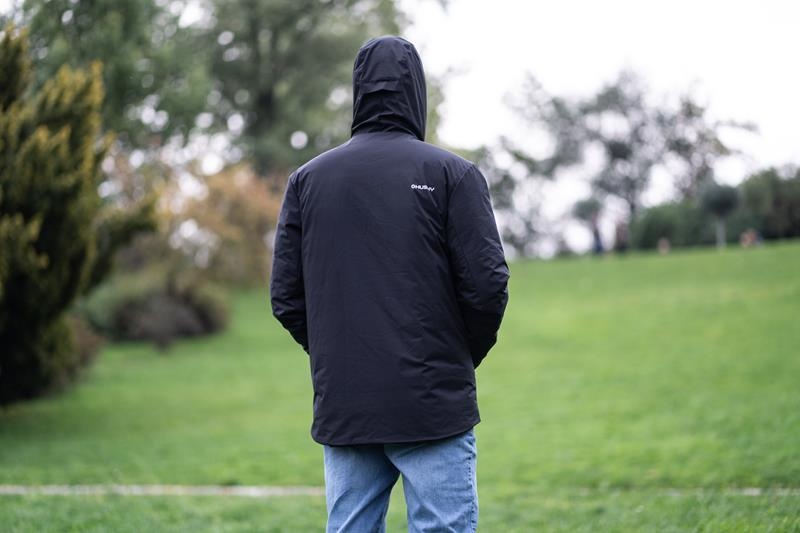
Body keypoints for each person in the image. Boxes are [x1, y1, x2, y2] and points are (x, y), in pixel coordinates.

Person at [270, 35, 510, 533]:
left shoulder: (307, 181)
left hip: (347, 402)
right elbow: (487, 286)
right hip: (432, 401)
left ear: (359, 91)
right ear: (416, 90)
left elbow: (286, 297)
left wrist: (339, 354)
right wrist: (454, 356)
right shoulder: (453, 174)